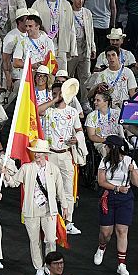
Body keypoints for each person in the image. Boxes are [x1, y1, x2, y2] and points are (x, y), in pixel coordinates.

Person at [0, 141, 67, 275]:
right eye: (35, 151)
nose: (36, 154)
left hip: (49, 209)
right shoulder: (26, 168)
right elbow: (14, 183)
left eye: (39, 152)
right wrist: (5, 174)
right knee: (34, 240)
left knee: (50, 240)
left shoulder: (53, 169)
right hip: (31, 210)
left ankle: (50, 266)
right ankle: (38, 268)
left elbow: (60, 189)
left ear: (45, 154)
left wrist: (64, 206)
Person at [38, 82, 84, 235]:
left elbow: (79, 130)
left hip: (65, 155)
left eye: (59, 93)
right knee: (48, 189)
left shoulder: (73, 112)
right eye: (54, 93)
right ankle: (49, 222)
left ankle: (68, 222)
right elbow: (37, 111)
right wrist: (53, 100)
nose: (56, 95)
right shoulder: (49, 111)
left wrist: (76, 139)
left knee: (67, 191)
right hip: (49, 155)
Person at [94, 135, 138, 275]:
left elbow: (137, 183)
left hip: (125, 199)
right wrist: (116, 188)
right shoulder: (104, 161)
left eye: (107, 145)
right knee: (106, 233)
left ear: (112, 148)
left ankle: (121, 264)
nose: (105, 147)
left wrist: (132, 171)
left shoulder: (129, 161)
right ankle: (101, 247)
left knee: (121, 231)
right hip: (108, 197)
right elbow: (101, 181)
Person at [31, 0, 75, 74]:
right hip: (43, 44)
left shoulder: (66, 5)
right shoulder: (37, 4)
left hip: (61, 44)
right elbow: (31, 24)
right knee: (45, 73)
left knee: (62, 73)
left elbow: (71, 28)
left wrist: (73, 49)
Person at [68, 0, 96, 103]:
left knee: (86, 77)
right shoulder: (68, 12)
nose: (80, 1)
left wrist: (92, 47)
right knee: (69, 76)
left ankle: (85, 102)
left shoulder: (87, 12)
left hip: (85, 46)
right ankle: (69, 101)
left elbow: (91, 31)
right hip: (72, 47)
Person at [85, 91, 124, 158]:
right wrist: (107, 141)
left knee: (123, 150)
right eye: (95, 100)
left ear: (106, 102)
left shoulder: (117, 113)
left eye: (98, 100)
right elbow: (91, 136)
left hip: (117, 140)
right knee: (107, 151)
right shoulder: (91, 116)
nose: (95, 102)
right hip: (101, 142)